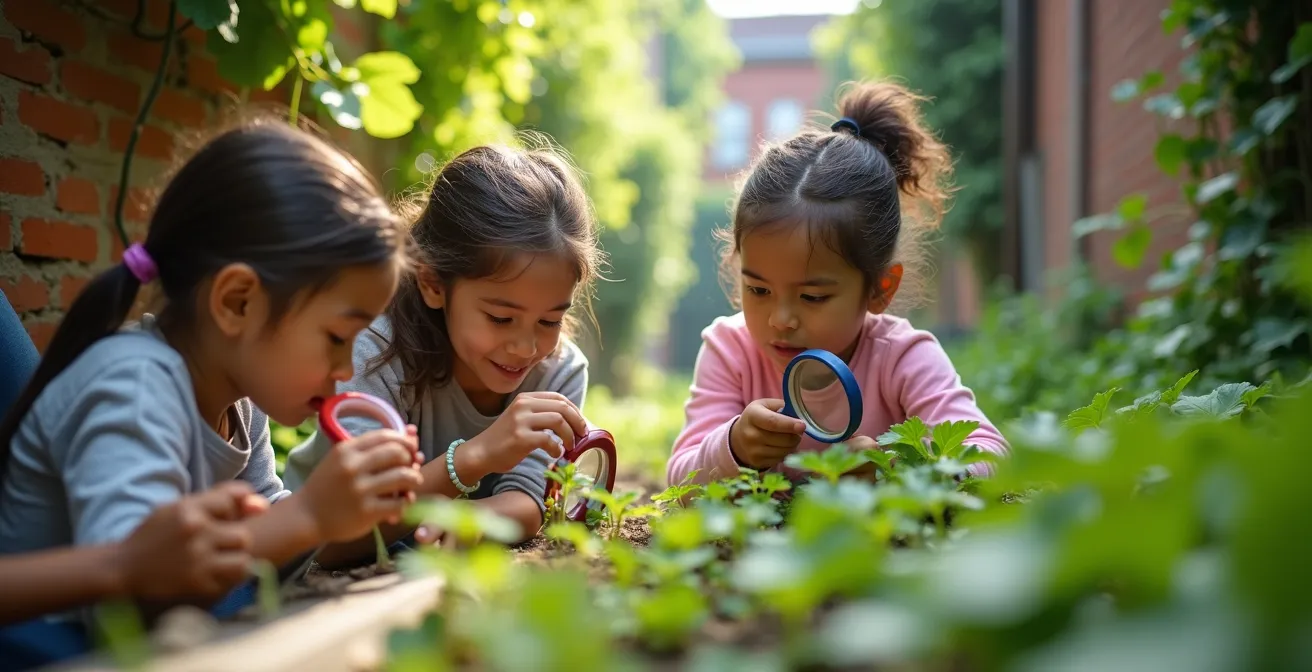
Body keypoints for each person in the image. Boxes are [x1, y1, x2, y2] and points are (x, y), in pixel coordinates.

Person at [0, 119, 423, 666]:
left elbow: (269, 529)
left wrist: (347, 516)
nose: (345, 371)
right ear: (238, 303)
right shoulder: (134, 387)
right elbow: (132, 598)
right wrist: (310, 516)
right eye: (337, 338)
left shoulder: (236, 395)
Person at [667, 81, 1008, 487]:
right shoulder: (730, 350)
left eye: (812, 296)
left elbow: (988, 453)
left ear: (880, 288)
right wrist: (733, 448)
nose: (781, 319)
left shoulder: (901, 357)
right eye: (758, 290)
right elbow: (680, 479)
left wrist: (902, 470)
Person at [285, 142, 603, 562]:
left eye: (549, 321)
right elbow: (338, 539)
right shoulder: (375, 351)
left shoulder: (557, 370)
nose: (527, 347)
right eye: (500, 318)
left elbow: (529, 499)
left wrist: (467, 520)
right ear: (434, 284)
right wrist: (473, 458)